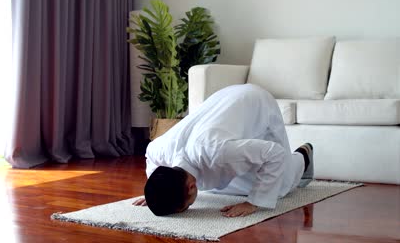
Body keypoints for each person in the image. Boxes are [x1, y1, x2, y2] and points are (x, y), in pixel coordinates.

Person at [133, 84, 314, 217]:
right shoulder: (162, 149)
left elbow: (274, 153)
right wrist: (157, 191)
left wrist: (254, 203)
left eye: (186, 207)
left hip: (256, 101)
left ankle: (303, 156)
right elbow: (150, 153)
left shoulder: (219, 153)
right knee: (224, 187)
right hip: (223, 100)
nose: (189, 207)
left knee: (281, 186)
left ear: (190, 187)